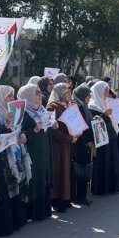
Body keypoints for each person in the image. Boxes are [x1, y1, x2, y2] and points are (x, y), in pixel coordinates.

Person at [0, 85, 30, 236]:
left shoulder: (10, 110)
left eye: (13, 96)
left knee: (13, 190)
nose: (12, 99)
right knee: (1, 193)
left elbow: (17, 128)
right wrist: (5, 125)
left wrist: (21, 134)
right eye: (9, 96)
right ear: (0, 97)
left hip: (12, 156)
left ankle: (14, 223)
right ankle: (0, 228)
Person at [19, 83, 55, 221]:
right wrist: (34, 130)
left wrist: (53, 125)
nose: (40, 96)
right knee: (34, 180)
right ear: (28, 96)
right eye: (37, 93)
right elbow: (20, 135)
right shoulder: (23, 113)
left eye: (40, 93)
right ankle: (32, 213)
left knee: (42, 178)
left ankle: (43, 211)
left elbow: (47, 128)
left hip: (43, 149)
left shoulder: (41, 109)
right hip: (32, 152)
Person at [46, 83, 77, 212]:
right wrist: (69, 138)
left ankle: (65, 199)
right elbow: (53, 130)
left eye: (69, 92)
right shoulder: (52, 107)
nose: (69, 95)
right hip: (57, 146)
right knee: (58, 171)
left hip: (67, 145)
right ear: (60, 94)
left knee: (66, 170)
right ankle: (57, 201)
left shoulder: (68, 106)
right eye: (67, 93)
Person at [88, 81, 119, 194]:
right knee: (102, 163)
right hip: (101, 140)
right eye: (105, 90)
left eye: (108, 89)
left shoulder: (105, 102)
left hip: (110, 138)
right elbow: (93, 121)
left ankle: (112, 186)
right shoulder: (93, 106)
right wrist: (104, 114)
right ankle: (101, 188)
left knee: (112, 161)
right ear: (99, 91)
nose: (107, 92)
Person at [71, 85, 96, 205]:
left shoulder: (82, 105)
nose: (90, 97)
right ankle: (80, 196)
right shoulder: (79, 106)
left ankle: (80, 195)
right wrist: (88, 142)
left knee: (83, 169)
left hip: (82, 142)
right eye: (88, 95)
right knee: (82, 169)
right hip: (81, 143)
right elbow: (81, 126)